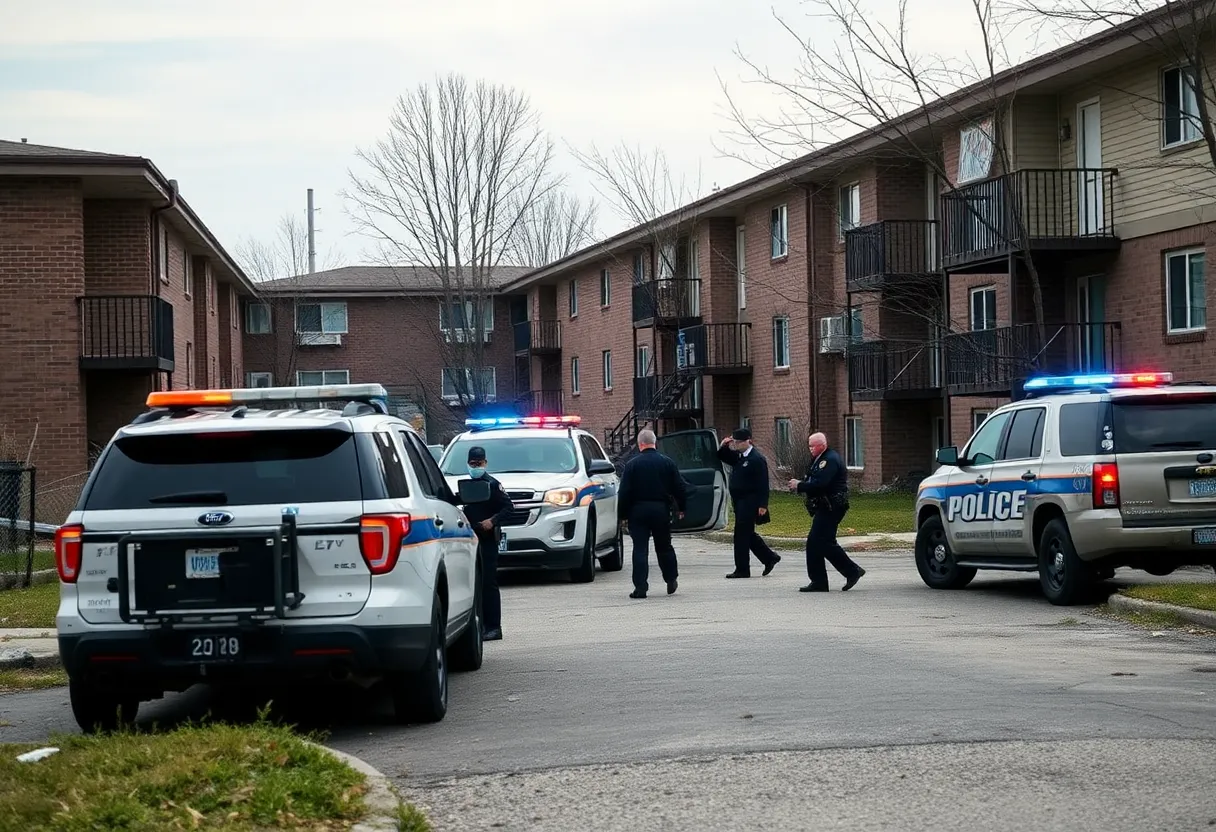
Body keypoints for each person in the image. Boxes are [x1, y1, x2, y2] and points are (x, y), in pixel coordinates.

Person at [787, 432, 866, 593]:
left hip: (832, 506)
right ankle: (820, 581)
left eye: (812, 446)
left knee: (820, 541)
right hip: (826, 505)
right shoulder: (820, 459)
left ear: (822, 445)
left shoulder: (828, 460)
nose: (810, 449)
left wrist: (799, 485)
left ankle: (850, 571)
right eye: (809, 445)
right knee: (817, 542)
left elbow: (820, 483)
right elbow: (812, 478)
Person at [616, 429, 689, 599]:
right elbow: (679, 487)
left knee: (640, 549)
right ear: (654, 443)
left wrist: (623, 515)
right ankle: (671, 578)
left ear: (640, 444)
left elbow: (624, 492)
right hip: (661, 510)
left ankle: (640, 588)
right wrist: (682, 508)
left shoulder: (632, 465)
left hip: (638, 512)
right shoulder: (667, 463)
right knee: (664, 547)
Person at [459, 445, 515, 640]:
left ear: (485, 463)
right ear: (468, 463)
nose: (476, 467)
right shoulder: (466, 486)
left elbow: (509, 508)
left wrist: (492, 521)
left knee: (488, 583)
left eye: (479, 463)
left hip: (487, 540)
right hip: (471, 540)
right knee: (476, 583)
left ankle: (493, 627)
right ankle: (481, 625)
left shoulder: (492, 484)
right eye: (473, 463)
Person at [716, 428, 781, 579]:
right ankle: (769, 557)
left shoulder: (756, 459)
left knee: (740, 535)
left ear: (748, 441)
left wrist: (763, 505)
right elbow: (721, 456)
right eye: (735, 442)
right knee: (748, 534)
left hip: (750, 501)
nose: (736, 445)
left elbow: (763, 483)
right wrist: (725, 445)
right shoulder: (739, 456)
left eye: (739, 442)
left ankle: (742, 569)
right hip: (739, 501)